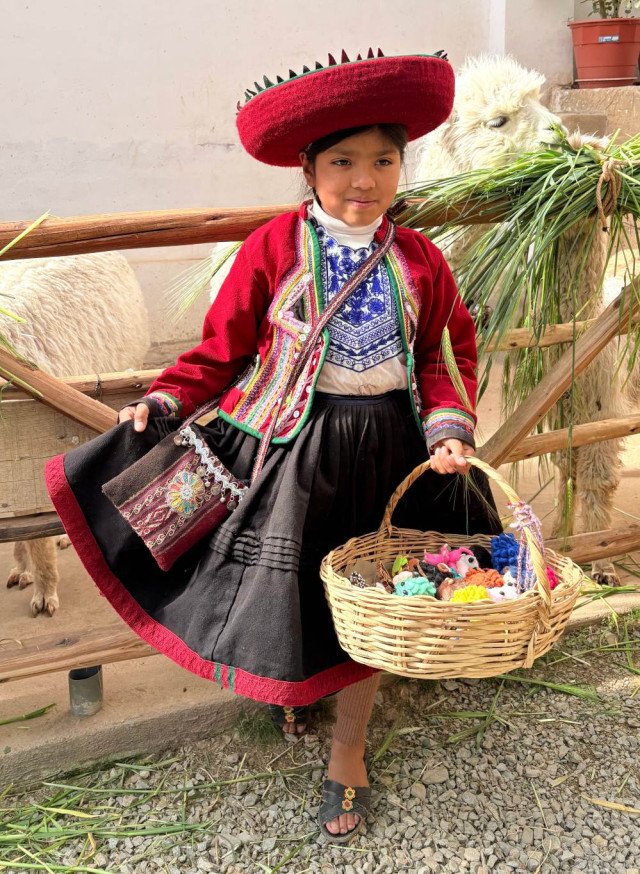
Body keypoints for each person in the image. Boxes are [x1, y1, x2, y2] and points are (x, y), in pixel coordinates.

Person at [46, 49, 500, 842]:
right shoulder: (273, 248)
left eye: (384, 160)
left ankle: (348, 750)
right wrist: (165, 397)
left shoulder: (421, 260)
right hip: (290, 452)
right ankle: (294, 689)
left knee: (375, 601)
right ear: (308, 166)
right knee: (289, 597)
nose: (366, 180)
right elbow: (221, 350)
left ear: (403, 163)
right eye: (344, 161)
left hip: (392, 453)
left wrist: (451, 432)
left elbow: (442, 356)